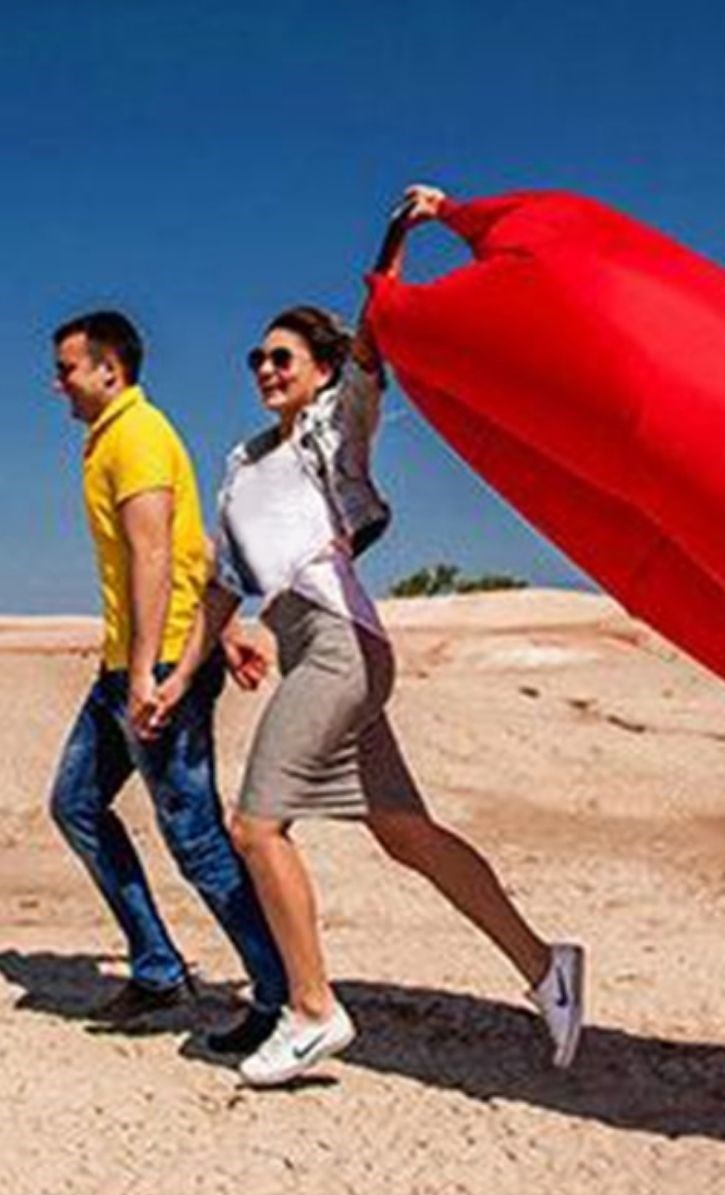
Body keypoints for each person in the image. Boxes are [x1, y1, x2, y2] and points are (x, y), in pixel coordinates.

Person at [146, 187, 585, 1087]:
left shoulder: (333, 431)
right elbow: (224, 588)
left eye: (282, 357)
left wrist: (398, 237)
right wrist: (178, 677)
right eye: (257, 358)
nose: (265, 369)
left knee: (255, 826)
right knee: (405, 832)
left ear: (318, 370)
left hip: (342, 644)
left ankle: (313, 1011)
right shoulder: (240, 466)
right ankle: (549, 968)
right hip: (312, 649)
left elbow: (374, 336)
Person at [48, 310, 289, 1052]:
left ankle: (282, 995)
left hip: (149, 669)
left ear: (109, 369)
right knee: (75, 804)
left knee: (194, 835)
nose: (58, 383)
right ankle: (156, 967)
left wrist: (151, 673)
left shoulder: (138, 436)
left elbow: (153, 555)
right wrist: (228, 631)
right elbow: (191, 547)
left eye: (67, 369)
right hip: (125, 664)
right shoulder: (111, 438)